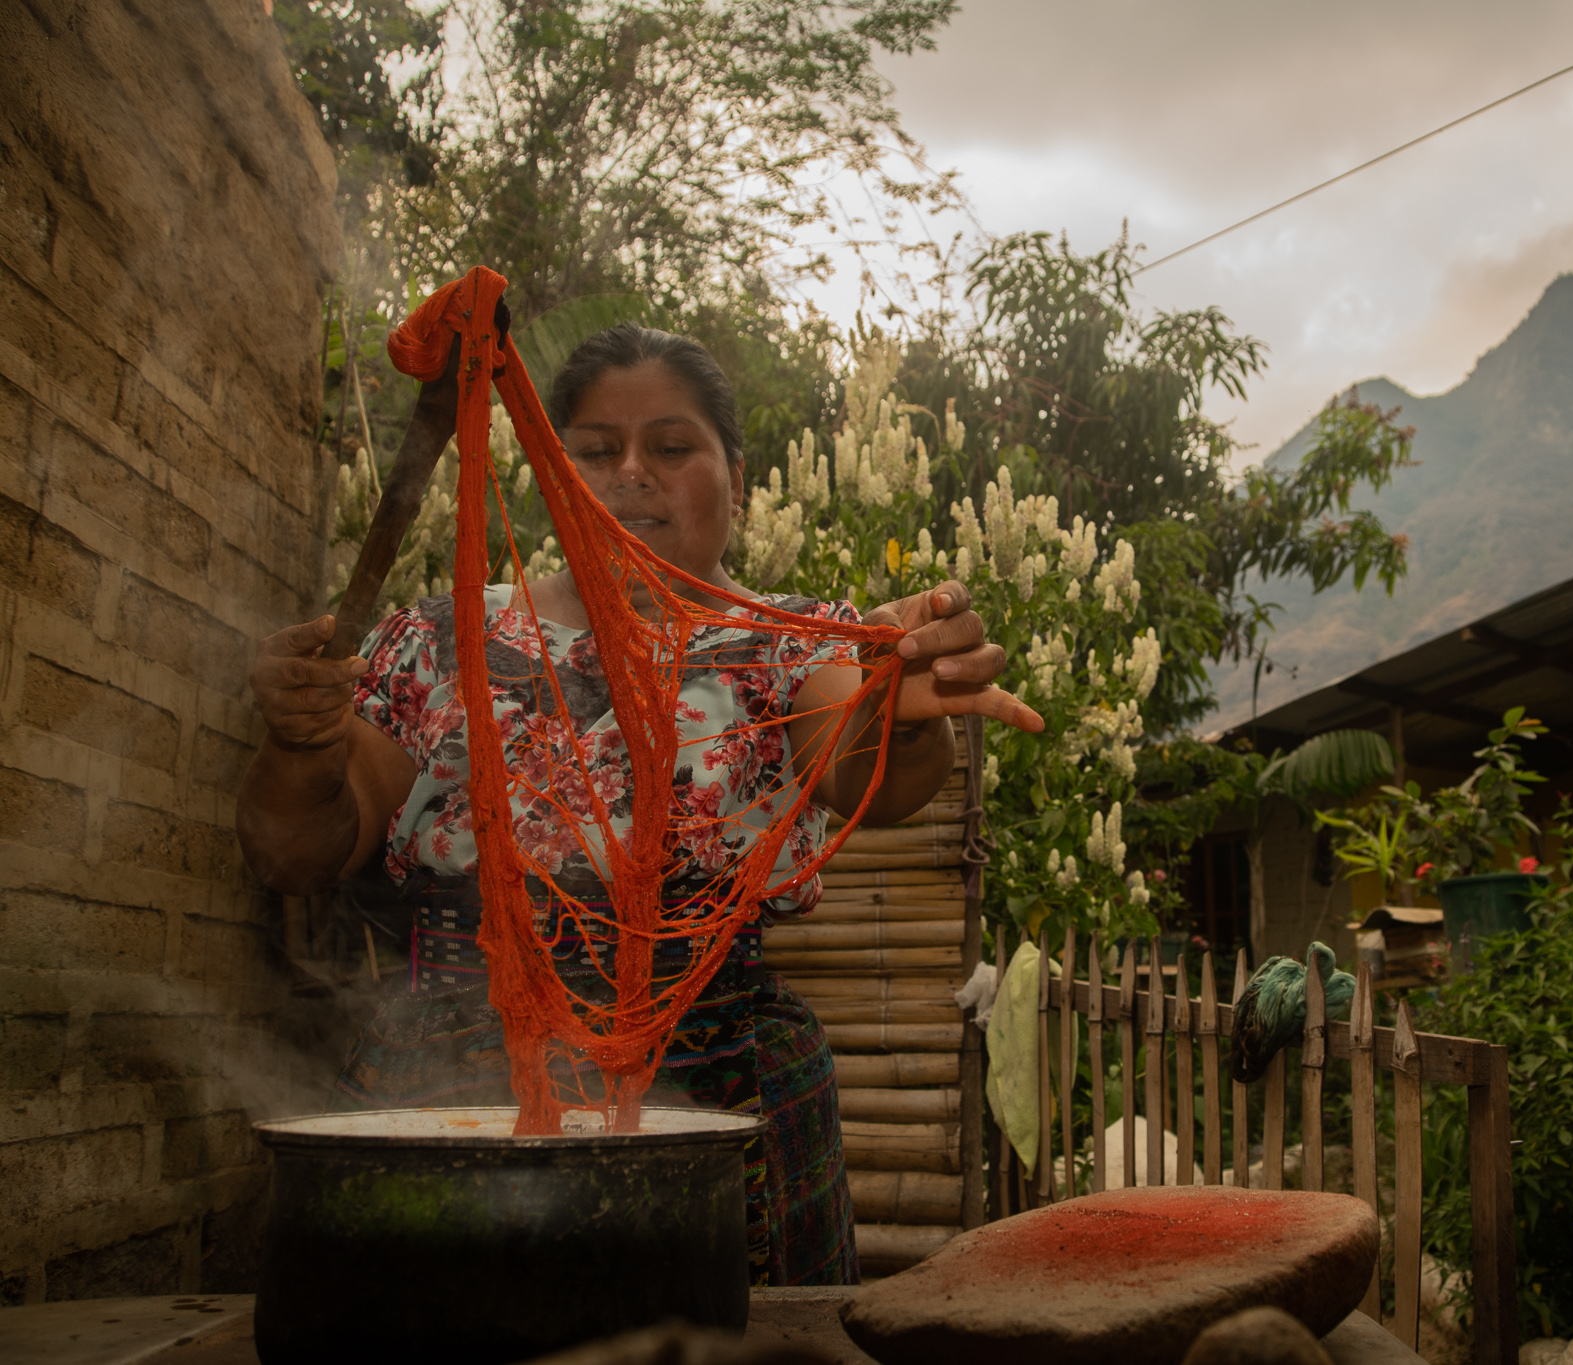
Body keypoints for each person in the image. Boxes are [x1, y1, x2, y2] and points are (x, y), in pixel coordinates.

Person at [235, 322, 1042, 1286]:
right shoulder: (437, 641)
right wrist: (297, 743)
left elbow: (867, 758)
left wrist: (897, 708)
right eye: (594, 450)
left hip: (726, 1083)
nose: (631, 472)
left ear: (734, 479)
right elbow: (297, 849)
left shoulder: (794, 645)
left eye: (670, 446)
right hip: (447, 1073)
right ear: (551, 471)